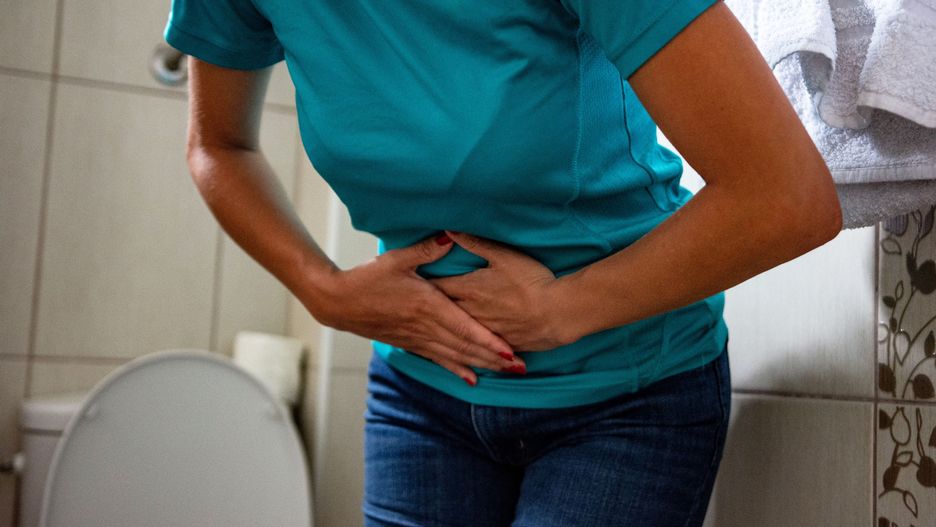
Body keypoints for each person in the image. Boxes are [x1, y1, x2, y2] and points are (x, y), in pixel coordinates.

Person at [163, 0, 843, 525]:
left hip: (626, 395)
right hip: (419, 393)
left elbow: (787, 197)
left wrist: (564, 308)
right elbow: (218, 145)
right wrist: (321, 290)